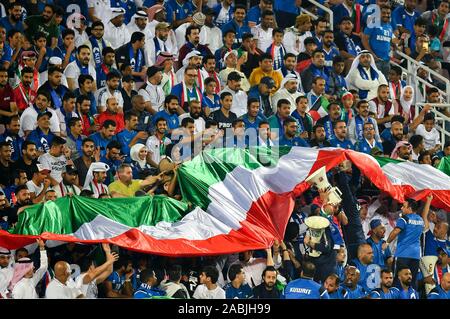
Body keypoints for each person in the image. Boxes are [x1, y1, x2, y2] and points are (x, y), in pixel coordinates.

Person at [386, 195, 433, 288]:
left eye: (403, 206)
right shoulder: (420, 220)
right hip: (415, 256)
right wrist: (428, 201)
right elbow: (425, 215)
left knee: (397, 282)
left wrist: (387, 242)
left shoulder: (404, 219)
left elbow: (396, 231)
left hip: (402, 255)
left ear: (410, 208)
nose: (401, 208)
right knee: (412, 282)